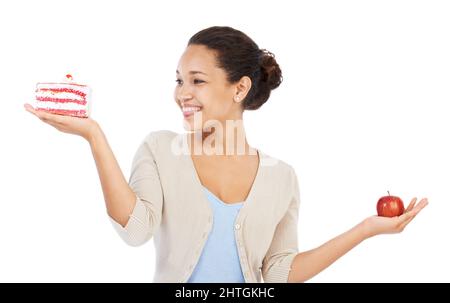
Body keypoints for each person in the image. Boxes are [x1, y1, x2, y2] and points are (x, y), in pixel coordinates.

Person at [24, 26, 428, 283]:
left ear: (239, 89)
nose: (183, 92)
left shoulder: (282, 177)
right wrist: (94, 136)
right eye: (179, 80)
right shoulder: (160, 149)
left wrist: (366, 230)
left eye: (197, 80)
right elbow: (135, 230)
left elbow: (278, 274)